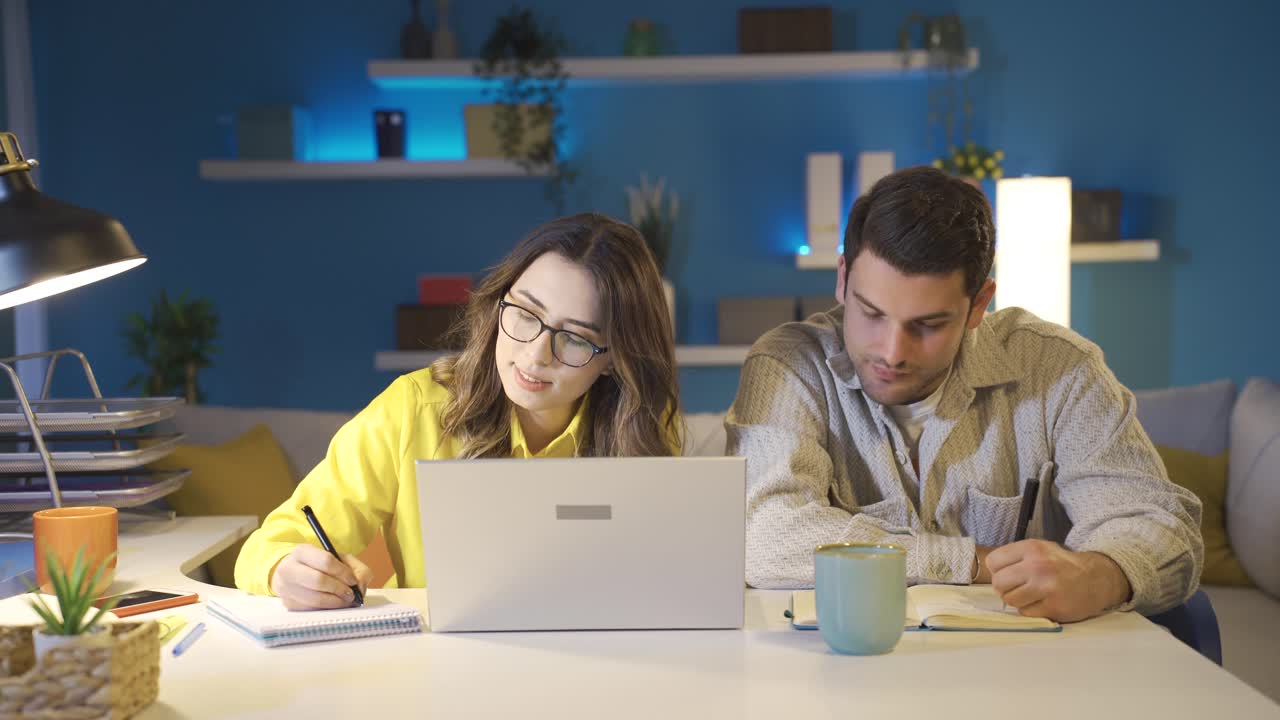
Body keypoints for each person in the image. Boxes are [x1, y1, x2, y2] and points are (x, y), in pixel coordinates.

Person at [728, 167, 1202, 622]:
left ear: (979, 304)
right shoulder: (789, 365)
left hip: (1026, 681)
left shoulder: (1061, 368)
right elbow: (766, 538)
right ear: (842, 279)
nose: (892, 352)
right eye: (870, 313)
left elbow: (1163, 529)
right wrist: (972, 561)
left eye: (928, 325)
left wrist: (1101, 574)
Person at [236, 213, 682, 610]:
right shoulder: (413, 409)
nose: (535, 354)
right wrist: (284, 571)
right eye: (526, 314)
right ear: (499, 302)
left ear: (613, 359)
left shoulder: (643, 429)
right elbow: (269, 546)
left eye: (576, 338)